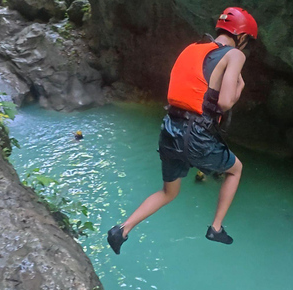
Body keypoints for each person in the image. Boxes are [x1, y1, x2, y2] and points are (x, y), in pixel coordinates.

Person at [107, 7, 258, 254]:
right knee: (236, 169)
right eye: (247, 42)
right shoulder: (234, 55)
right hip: (195, 135)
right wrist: (241, 85)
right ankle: (216, 228)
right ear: (241, 36)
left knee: (169, 192)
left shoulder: (191, 48)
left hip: (169, 128)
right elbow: (225, 102)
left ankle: (121, 230)